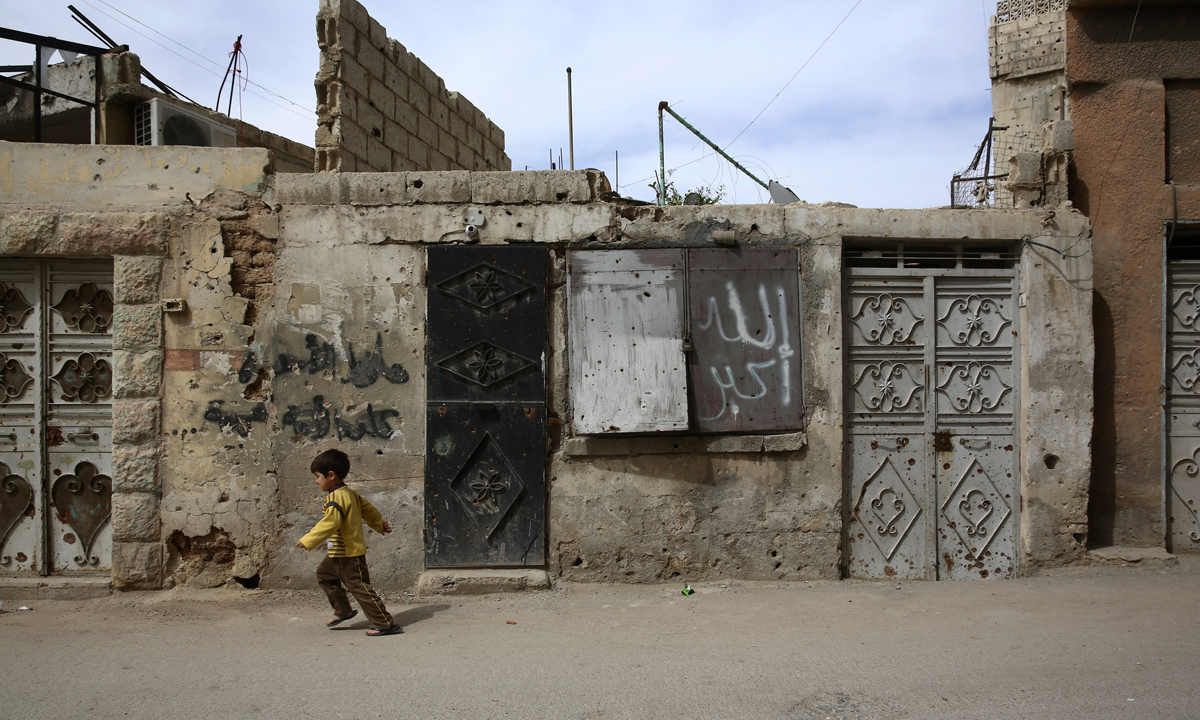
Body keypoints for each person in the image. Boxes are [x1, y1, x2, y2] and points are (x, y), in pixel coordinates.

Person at [296, 448, 400, 636]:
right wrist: (378, 524)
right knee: (324, 575)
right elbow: (368, 509)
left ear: (331, 475)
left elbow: (330, 522)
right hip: (337, 552)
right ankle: (343, 610)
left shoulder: (337, 497)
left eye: (318, 476)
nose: (316, 481)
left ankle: (384, 623)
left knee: (359, 588)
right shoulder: (349, 493)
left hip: (348, 553)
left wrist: (308, 540)